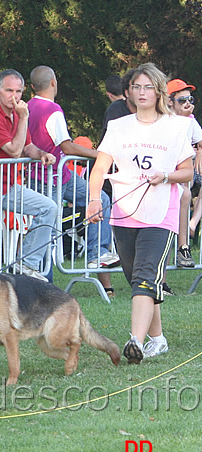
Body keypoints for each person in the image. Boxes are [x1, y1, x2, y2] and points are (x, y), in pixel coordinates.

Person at [87, 63, 194, 364]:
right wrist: (94, 199)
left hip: (161, 211)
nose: (142, 92)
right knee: (137, 278)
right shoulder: (119, 126)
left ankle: (135, 341)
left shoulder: (175, 126)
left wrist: (166, 176)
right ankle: (157, 339)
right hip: (124, 209)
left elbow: (187, 171)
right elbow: (100, 167)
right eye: (137, 87)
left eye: (148, 87)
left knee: (146, 277)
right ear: (129, 92)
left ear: (158, 90)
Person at [27, 66, 118, 294]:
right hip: (57, 176)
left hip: (38, 175)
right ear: (54, 83)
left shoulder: (27, 107)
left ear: (31, 87)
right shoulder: (53, 109)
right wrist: (101, 154)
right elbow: (66, 146)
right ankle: (96, 254)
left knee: (45, 225)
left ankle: (43, 279)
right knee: (101, 200)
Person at [0, 69, 57, 280]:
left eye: (18, 91)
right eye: (9, 90)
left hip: (6, 186)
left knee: (48, 208)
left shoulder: (16, 114)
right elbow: (15, 151)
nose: (14, 96)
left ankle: (25, 264)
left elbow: (28, 147)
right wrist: (24, 117)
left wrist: (43, 154)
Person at [166, 78, 202, 268]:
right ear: (170, 102)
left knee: (187, 191)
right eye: (182, 100)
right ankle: (183, 247)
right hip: (169, 176)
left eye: (191, 99)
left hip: (187, 173)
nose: (188, 104)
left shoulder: (190, 120)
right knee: (185, 193)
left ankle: (193, 223)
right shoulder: (165, 120)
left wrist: (201, 152)